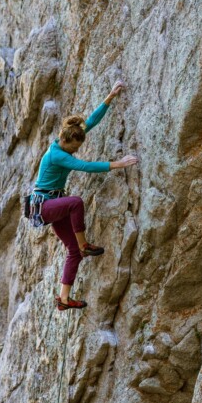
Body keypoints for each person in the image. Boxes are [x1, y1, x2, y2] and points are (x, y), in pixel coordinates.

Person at [31, 80, 138, 311]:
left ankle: (64, 299)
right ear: (66, 142)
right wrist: (119, 164)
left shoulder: (68, 137)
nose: (76, 150)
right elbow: (86, 166)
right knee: (76, 203)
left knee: (73, 252)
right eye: (74, 148)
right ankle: (85, 245)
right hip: (44, 205)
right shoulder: (57, 155)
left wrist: (109, 97)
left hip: (52, 203)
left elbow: (90, 123)